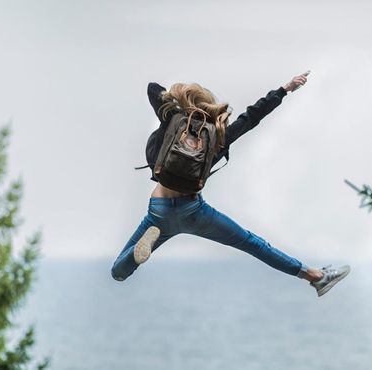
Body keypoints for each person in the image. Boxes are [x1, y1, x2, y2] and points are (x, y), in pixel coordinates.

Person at [110, 71, 350, 297]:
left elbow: (153, 88)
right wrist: (285, 89)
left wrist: (178, 102)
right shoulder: (218, 135)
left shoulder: (172, 120)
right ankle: (316, 277)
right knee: (253, 244)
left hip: (159, 211)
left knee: (118, 272)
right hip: (193, 212)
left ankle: (137, 253)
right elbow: (252, 117)